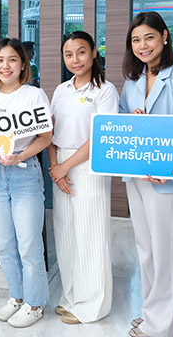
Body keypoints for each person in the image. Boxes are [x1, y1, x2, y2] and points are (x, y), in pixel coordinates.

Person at [120, 11, 173, 337]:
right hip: (137, 175)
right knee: (146, 249)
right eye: (136, 40)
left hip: (165, 178)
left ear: (164, 36)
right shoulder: (133, 80)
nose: (143, 45)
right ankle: (151, 312)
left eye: (149, 38)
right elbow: (121, 122)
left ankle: (162, 326)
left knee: (164, 252)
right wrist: (132, 117)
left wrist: (171, 170)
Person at [0, 38, 51, 328]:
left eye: (12, 60)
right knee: (4, 244)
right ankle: (17, 296)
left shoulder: (34, 95)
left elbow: (45, 138)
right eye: (0, 60)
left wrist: (19, 155)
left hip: (24, 173)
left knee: (29, 245)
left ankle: (35, 303)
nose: (5, 66)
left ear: (22, 65)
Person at [47, 31, 118, 325]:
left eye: (81, 52)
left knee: (90, 234)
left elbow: (100, 135)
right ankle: (72, 296)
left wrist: (65, 167)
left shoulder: (105, 90)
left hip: (89, 164)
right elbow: (49, 131)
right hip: (60, 164)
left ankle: (93, 304)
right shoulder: (61, 90)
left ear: (93, 53)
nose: (75, 59)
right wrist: (56, 168)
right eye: (68, 54)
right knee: (66, 233)